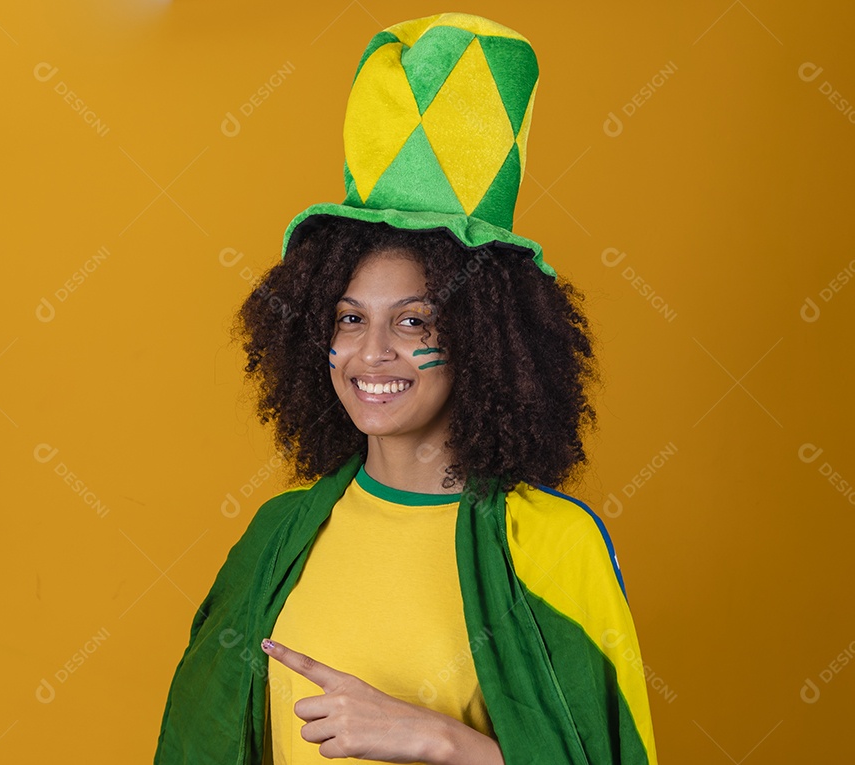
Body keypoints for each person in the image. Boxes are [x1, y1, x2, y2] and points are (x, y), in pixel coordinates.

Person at [154, 12, 658, 765]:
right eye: (350, 318)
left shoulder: (553, 546)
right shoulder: (276, 538)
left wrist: (441, 740)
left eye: (416, 322)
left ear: (485, 341)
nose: (372, 352)